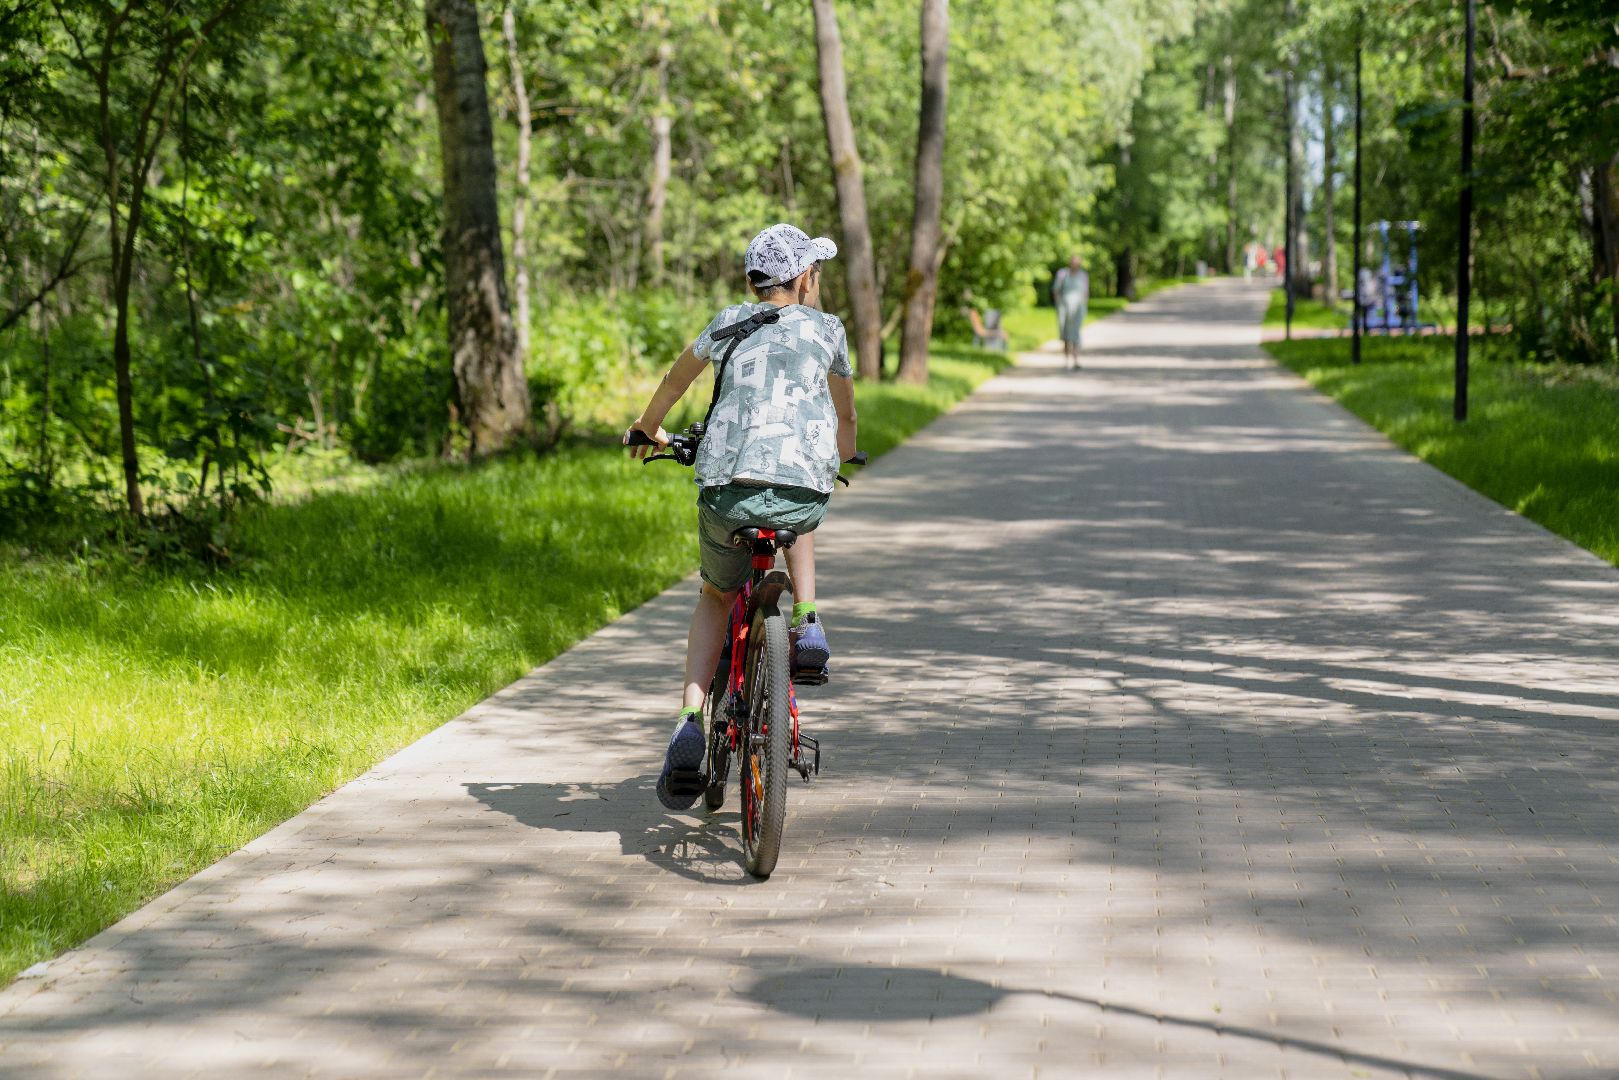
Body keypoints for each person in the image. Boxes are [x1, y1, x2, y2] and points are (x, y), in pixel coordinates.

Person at [624, 223, 858, 811]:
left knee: (714, 594)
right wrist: (845, 450)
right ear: (804, 278)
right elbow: (844, 411)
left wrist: (647, 428)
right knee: (796, 508)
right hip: (802, 488)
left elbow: (677, 380)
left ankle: (688, 718)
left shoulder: (727, 321)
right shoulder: (827, 328)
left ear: (753, 281)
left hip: (727, 491)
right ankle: (807, 619)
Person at [1052, 255, 1089, 371]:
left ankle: (1076, 359)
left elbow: (1085, 293)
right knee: (1066, 334)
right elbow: (1056, 291)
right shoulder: (1062, 274)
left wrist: (1084, 308)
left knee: (1076, 334)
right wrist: (1059, 305)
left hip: (1078, 308)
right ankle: (1067, 360)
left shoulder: (1083, 276)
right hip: (1065, 308)